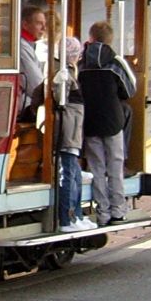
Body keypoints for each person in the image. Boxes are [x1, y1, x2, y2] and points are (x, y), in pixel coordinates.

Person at [77, 20, 136, 226]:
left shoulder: (81, 63)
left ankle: (102, 212)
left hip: (90, 121)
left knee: (97, 167)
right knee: (115, 165)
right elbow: (130, 90)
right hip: (113, 121)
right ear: (110, 40)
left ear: (90, 38)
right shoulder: (116, 62)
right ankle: (118, 210)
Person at [52, 33, 93, 231]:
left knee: (75, 173)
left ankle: (76, 215)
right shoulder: (64, 73)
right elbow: (59, 100)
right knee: (68, 174)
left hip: (73, 131)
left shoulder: (70, 71)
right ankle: (67, 219)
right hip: (68, 131)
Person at [17, 5, 48, 124]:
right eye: (39, 23)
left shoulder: (29, 45)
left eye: (44, 23)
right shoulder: (22, 47)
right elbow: (36, 86)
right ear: (25, 25)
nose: (44, 28)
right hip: (23, 107)